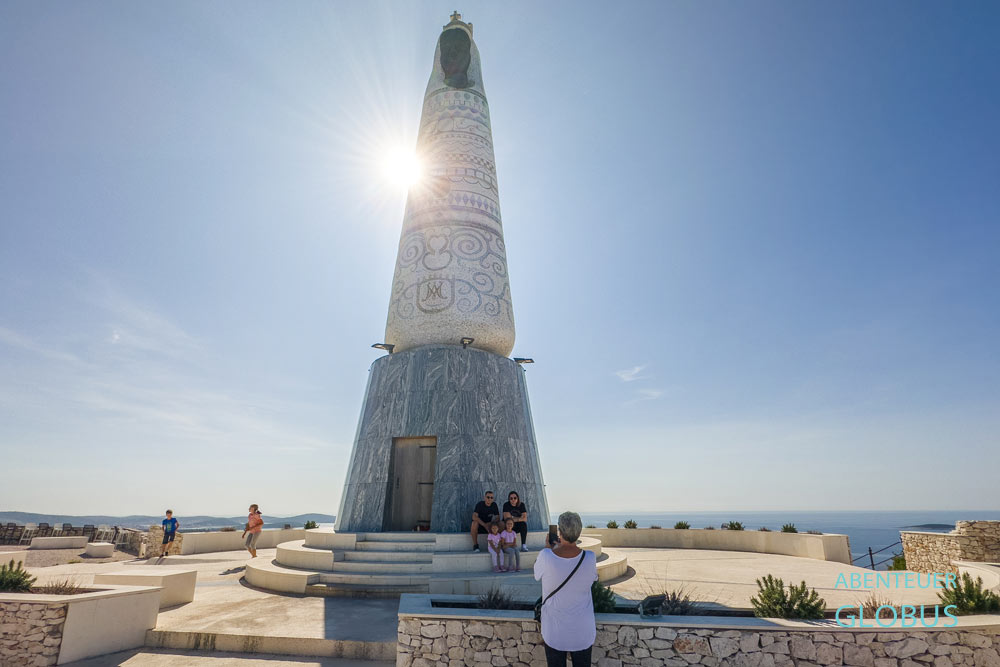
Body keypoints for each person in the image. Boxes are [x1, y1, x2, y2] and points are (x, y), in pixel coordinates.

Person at [533, 511, 598, 667]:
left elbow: (537, 574)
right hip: (582, 631)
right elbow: (593, 579)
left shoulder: (546, 556)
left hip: (554, 632)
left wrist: (549, 548)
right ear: (579, 532)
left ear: (559, 533)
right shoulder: (589, 558)